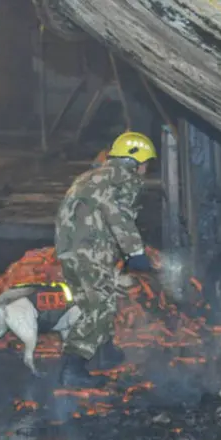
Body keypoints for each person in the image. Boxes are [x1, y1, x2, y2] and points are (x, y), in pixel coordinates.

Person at [55, 131, 157, 387]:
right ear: (135, 161)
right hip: (91, 251)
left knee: (94, 300)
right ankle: (73, 367)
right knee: (100, 305)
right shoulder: (121, 178)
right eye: (147, 163)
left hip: (70, 250)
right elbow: (118, 216)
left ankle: (105, 352)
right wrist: (135, 252)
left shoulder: (92, 176)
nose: (147, 169)